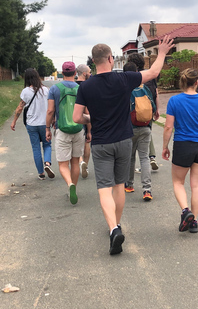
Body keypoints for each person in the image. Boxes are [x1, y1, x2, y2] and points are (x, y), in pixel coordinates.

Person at [72, 36, 174, 255]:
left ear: (92, 61)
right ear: (110, 59)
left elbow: (76, 117)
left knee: (104, 188)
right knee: (119, 185)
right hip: (124, 141)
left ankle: (113, 228)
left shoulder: (85, 87)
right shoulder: (125, 79)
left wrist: (92, 120)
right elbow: (153, 73)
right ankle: (115, 226)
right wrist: (162, 52)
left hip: (101, 144)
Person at [162, 68, 198, 234]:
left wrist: (165, 146)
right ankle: (194, 222)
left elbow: (168, 127)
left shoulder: (174, 101)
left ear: (182, 82)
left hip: (182, 145)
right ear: (196, 83)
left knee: (178, 182)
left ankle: (186, 211)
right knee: (196, 185)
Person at [46, 61, 85, 205]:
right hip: (78, 128)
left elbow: (50, 111)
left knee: (63, 164)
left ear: (62, 73)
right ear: (75, 73)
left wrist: (47, 128)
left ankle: (70, 185)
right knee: (75, 161)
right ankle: (73, 186)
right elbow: (87, 111)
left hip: (62, 129)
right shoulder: (81, 88)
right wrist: (89, 131)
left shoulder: (55, 89)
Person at [11, 68, 54, 180]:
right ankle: (47, 164)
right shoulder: (46, 90)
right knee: (47, 144)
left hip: (32, 124)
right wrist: (53, 120)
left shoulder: (25, 91)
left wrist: (14, 121)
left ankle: (41, 173)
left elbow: (20, 107)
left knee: (36, 148)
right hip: (45, 123)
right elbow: (51, 108)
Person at [123, 62, 156, 201]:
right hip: (145, 127)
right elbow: (152, 106)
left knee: (130, 158)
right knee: (144, 158)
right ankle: (147, 190)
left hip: (130, 128)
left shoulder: (125, 89)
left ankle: (129, 185)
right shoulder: (145, 88)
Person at [127, 53, 160, 171]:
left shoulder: (132, 76)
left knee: (135, 136)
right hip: (149, 109)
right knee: (147, 132)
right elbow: (156, 93)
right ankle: (150, 157)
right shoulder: (150, 75)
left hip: (133, 112)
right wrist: (157, 109)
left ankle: (138, 163)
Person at [76, 64, 92, 179]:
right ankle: (85, 165)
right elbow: (88, 110)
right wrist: (90, 130)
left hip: (71, 119)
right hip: (84, 119)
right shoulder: (88, 86)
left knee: (76, 145)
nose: (91, 74)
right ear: (84, 73)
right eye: (90, 72)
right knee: (87, 142)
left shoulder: (72, 86)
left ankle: (80, 161)